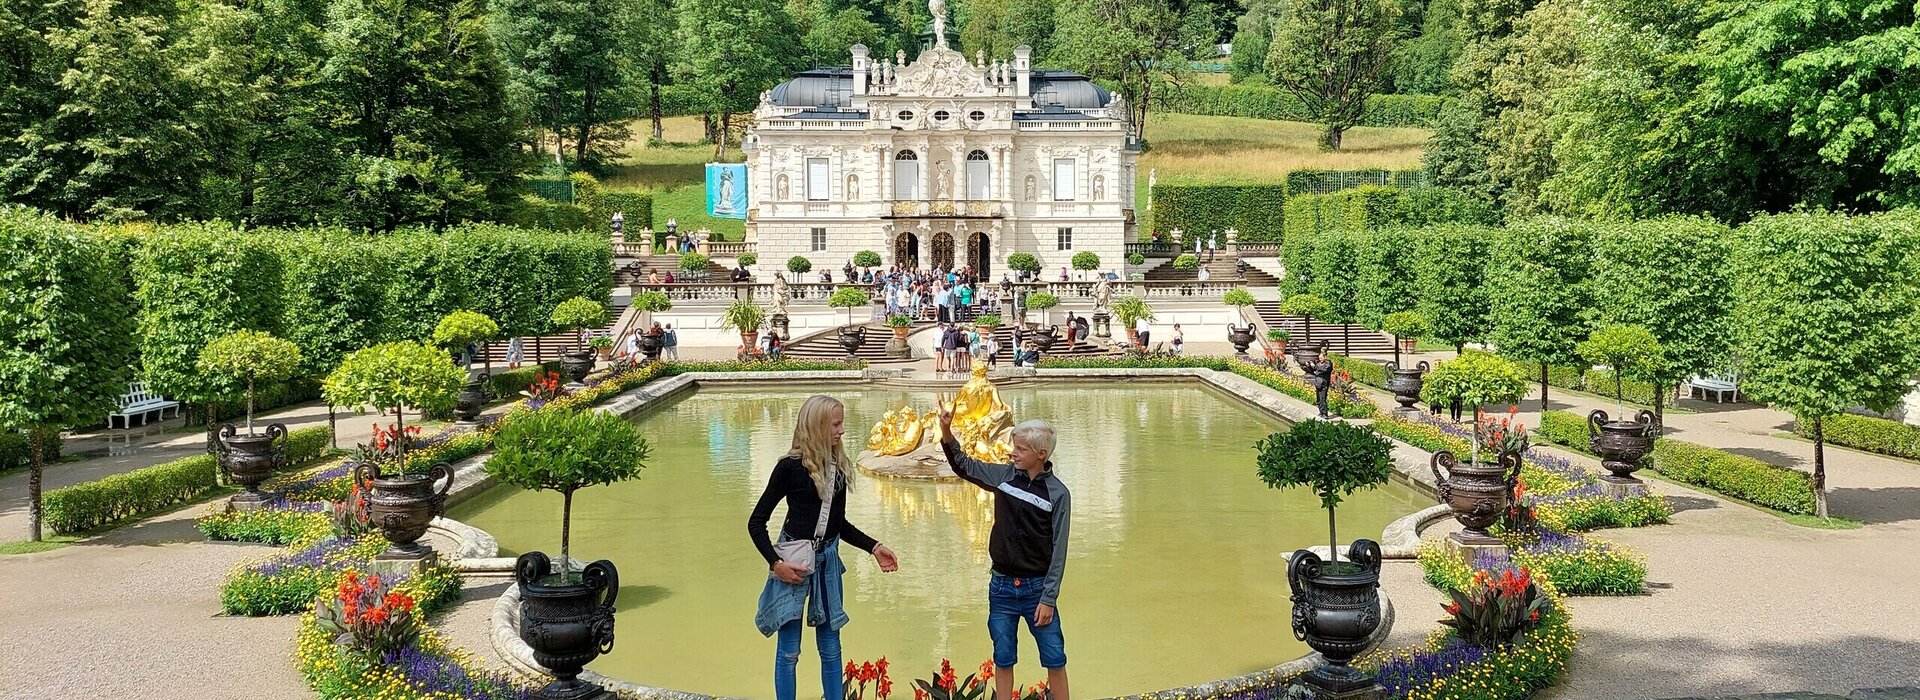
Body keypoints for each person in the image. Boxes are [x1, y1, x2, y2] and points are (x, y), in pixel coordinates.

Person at [750, 396, 900, 700]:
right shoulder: (789, 468)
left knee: (831, 648)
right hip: (794, 563)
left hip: (828, 559)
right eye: (835, 424)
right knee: (789, 650)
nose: (841, 430)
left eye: (841, 423)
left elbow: (837, 524)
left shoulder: (838, 467)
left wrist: (874, 547)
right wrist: (776, 564)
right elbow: (756, 522)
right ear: (816, 426)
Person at [935, 403, 1072, 700]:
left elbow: (1059, 550)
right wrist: (946, 430)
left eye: (1020, 449)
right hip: (1002, 587)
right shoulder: (1003, 477)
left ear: (1041, 454)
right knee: (1003, 657)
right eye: (1014, 447)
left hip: (1038, 591)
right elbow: (963, 465)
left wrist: (1048, 598)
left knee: (1054, 658)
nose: (1013, 453)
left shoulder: (1058, 494)